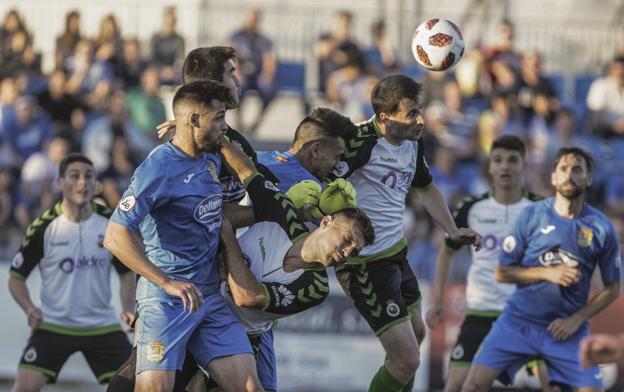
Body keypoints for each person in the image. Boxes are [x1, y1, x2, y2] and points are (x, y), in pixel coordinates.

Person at [103, 80, 263, 392]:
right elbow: (115, 234)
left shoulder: (212, 157)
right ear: (193, 120)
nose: (224, 126)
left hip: (209, 298)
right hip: (166, 301)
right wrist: (165, 281)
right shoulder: (158, 167)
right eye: (217, 117)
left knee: (249, 387)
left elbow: (222, 209)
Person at [331, 74, 482, 392]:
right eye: (412, 112)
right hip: (364, 265)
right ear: (385, 118)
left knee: (417, 336)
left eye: (421, 110)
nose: (421, 119)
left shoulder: (413, 141)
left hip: (396, 254)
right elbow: (321, 182)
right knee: (406, 360)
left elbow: (426, 188)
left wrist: (452, 229)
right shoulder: (360, 142)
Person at [209, 140, 375, 391]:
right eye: (348, 239)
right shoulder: (284, 212)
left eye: (356, 251)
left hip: (242, 334)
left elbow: (247, 296)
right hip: (206, 300)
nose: (348, 251)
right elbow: (246, 170)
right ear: (326, 222)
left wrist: (228, 242)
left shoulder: (316, 288)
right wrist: (214, 135)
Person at [461, 147, 622, 392]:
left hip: (567, 331)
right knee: (472, 385)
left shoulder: (601, 228)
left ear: (588, 178)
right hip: (518, 322)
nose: (569, 175)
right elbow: (502, 272)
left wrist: (577, 319)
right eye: (563, 169)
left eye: (577, 169)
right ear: (553, 177)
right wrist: (547, 272)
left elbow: (613, 288)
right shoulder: (532, 216)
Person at [425, 135, 549, 391]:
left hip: (527, 315)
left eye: (513, 160)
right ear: (490, 166)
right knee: (456, 385)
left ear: (524, 165)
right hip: (480, 314)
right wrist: (437, 301)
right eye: (498, 160)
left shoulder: (541, 209)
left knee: (553, 382)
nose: (505, 166)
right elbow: (447, 252)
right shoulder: (471, 208)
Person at [8, 153, 134, 391]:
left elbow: (127, 271)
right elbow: (15, 279)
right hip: (53, 325)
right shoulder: (44, 226)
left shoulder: (110, 223)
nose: (82, 183)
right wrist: (29, 308)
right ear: (60, 182)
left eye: (88, 176)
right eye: (74, 176)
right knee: (22, 388)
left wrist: (127, 306)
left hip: (102, 325)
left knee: (135, 385)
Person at [230, 7, 277, 134]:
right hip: (241, 74)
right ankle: (239, 122)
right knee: (239, 87)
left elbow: (269, 59)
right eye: (251, 17)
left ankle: (256, 123)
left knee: (269, 90)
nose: (253, 21)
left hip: (257, 76)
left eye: (256, 18)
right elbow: (232, 56)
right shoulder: (237, 36)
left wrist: (266, 76)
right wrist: (237, 73)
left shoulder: (264, 39)